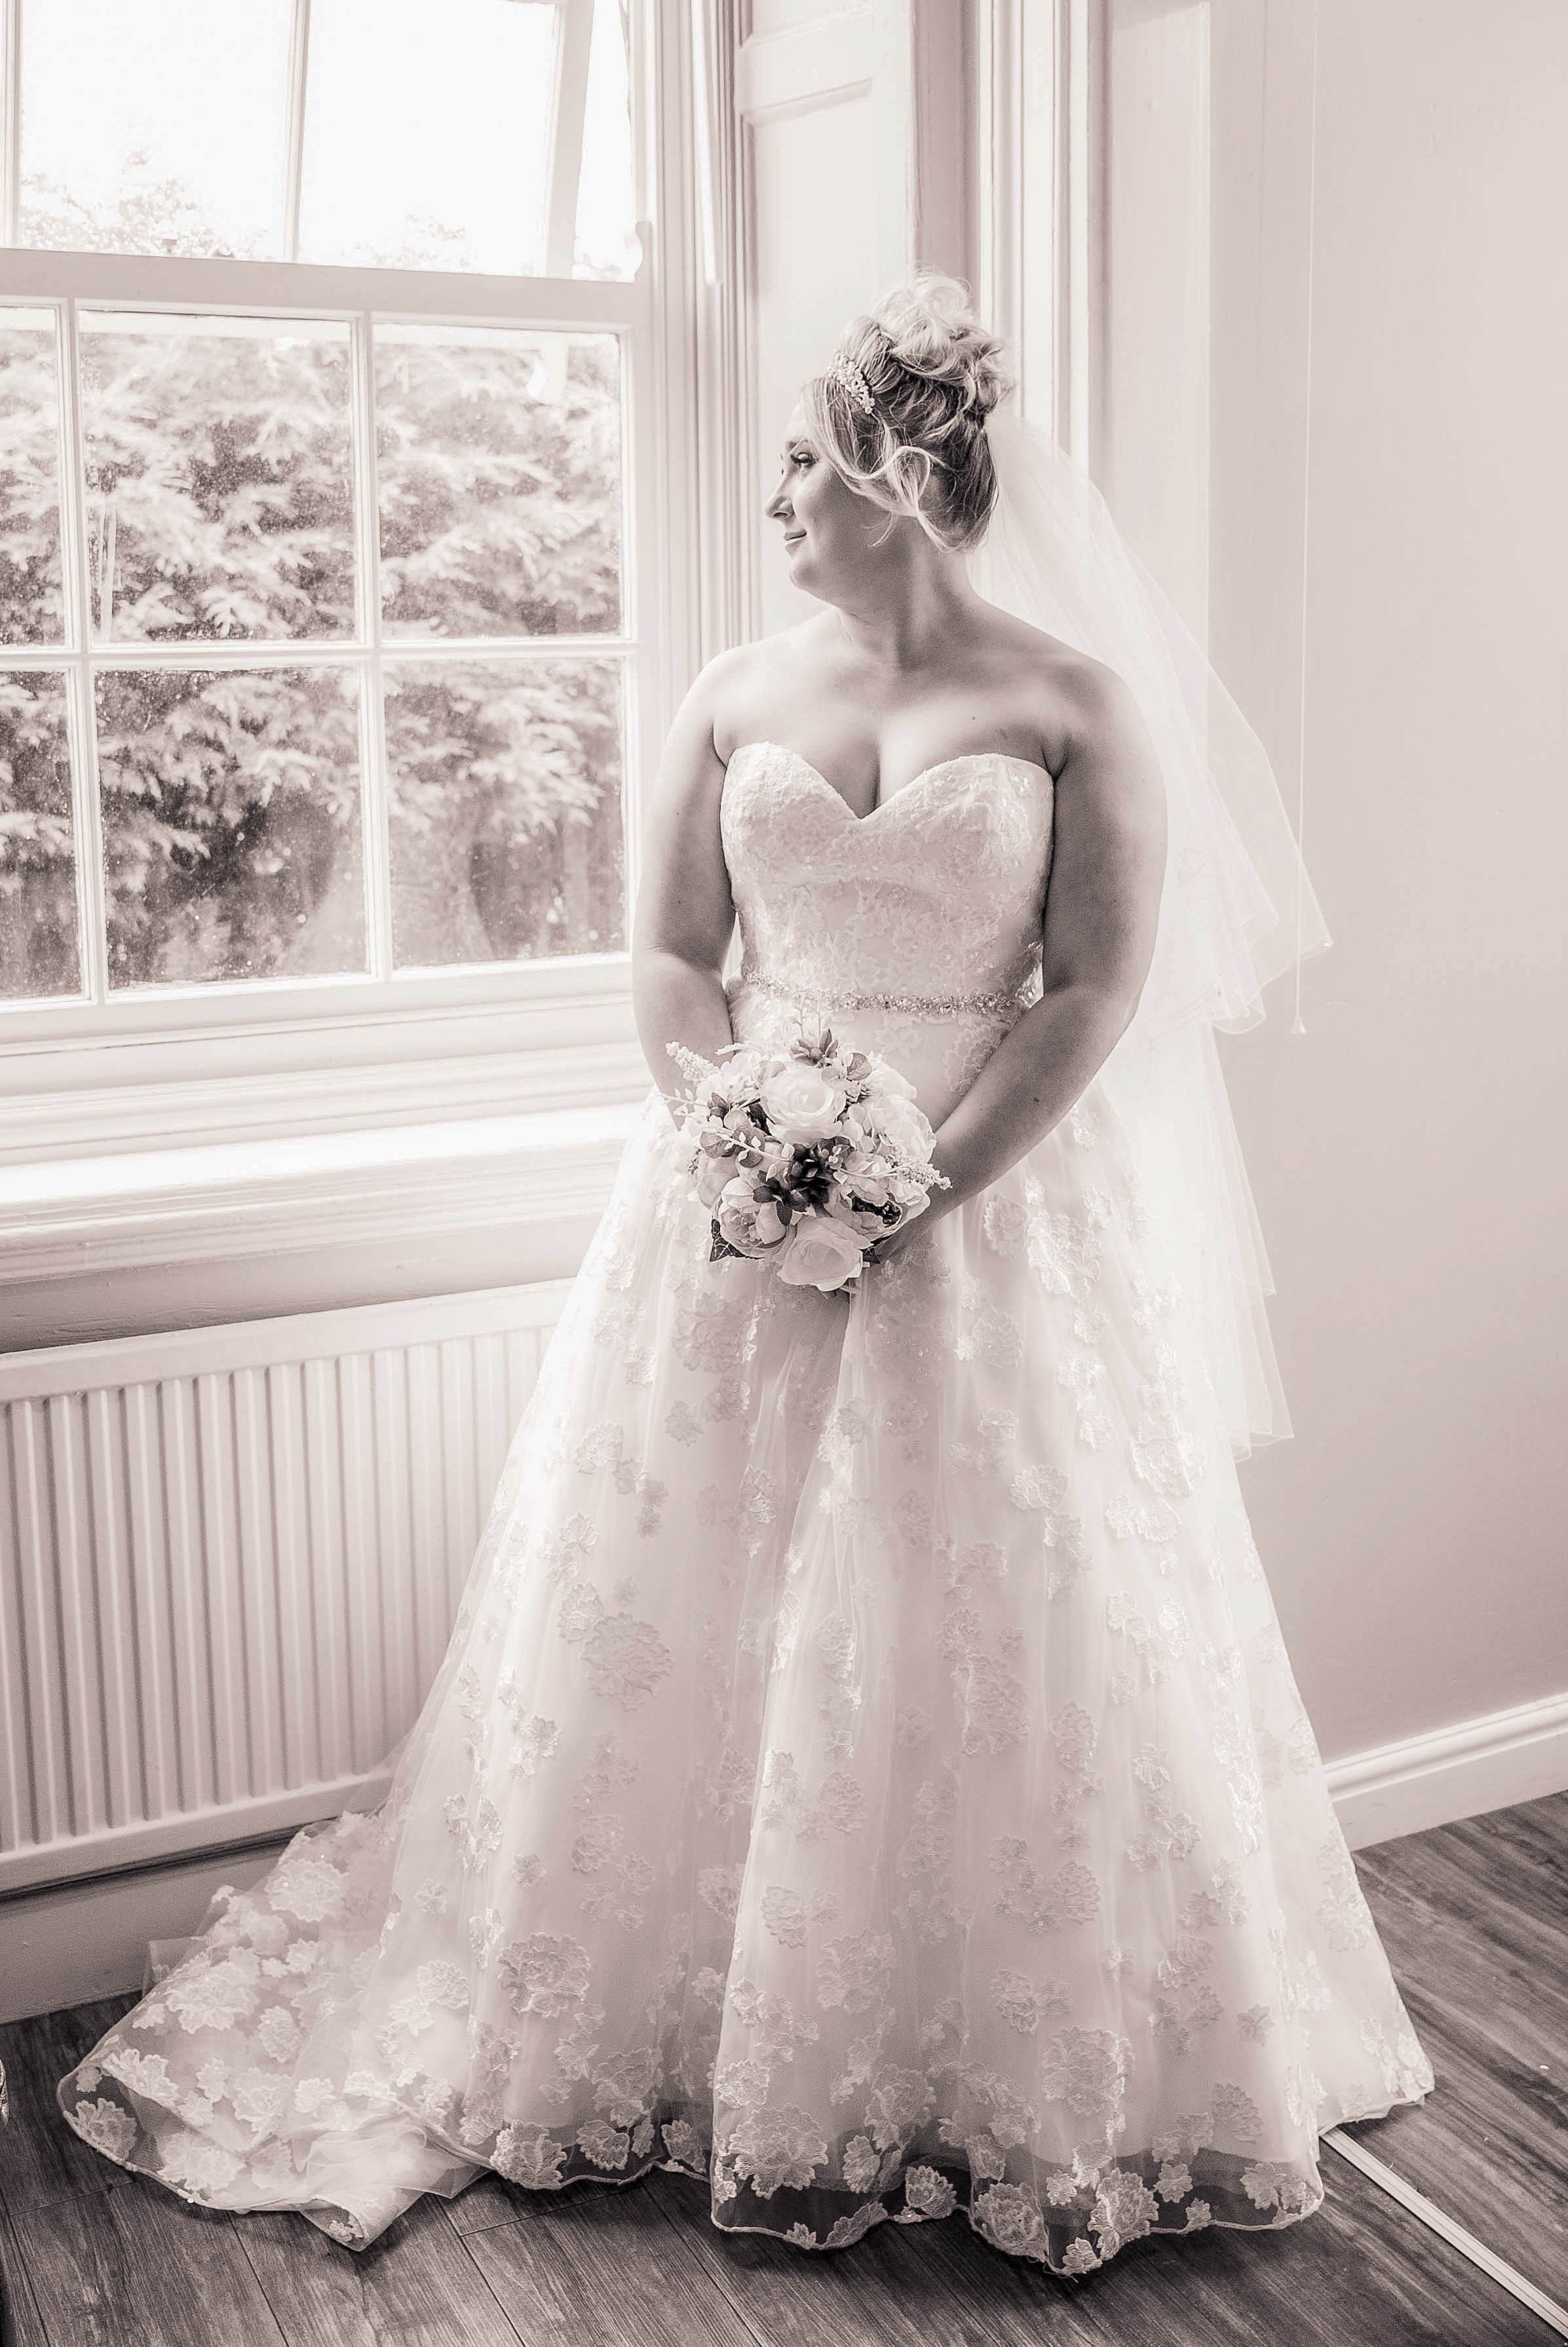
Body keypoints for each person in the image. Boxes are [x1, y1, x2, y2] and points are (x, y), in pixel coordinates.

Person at [58, 277, 1431, 2277]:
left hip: (988, 1225)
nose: (775, 494)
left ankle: (984, 2048)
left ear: (900, 470)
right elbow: (667, 955)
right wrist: (737, 1141)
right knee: (687, 1606)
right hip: (725, 1216)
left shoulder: (1069, 706)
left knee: (995, 1618)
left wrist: (918, 1187)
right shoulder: (725, 693)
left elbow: (1094, 989)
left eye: (802, 458)